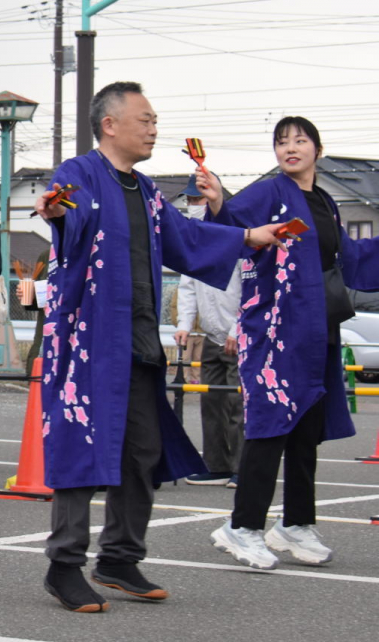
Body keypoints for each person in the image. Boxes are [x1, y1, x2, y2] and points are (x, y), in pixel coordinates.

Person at [33, 81, 281, 613]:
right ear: (110, 124)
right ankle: (64, 566)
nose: (153, 128)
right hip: (89, 344)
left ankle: (120, 557)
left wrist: (247, 235)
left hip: (141, 342)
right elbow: (65, 213)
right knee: (84, 450)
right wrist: (56, 212)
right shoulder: (77, 174)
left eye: (153, 120)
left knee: (140, 455)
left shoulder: (145, 191)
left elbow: (187, 242)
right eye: (144, 119)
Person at [207, 116, 379, 570]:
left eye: (300, 140)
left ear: (317, 150)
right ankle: (241, 527)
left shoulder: (325, 201)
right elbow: (229, 227)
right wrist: (218, 201)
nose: (290, 148)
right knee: (270, 425)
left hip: (317, 327)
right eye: (281, 142)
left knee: (306, 429)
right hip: (275, 329)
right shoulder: (270, 193)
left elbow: (351, 256)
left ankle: (295, 524)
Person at [173, 176, 243, 487]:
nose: (192, 206)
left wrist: (238, 328)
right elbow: (187, 286)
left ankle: (245, 467)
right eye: (189, 201)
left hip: (241, 334)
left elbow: (253, 287)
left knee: (240, 405)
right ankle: (218, 465)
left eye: (198, 200)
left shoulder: (236, 234)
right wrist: (184, 325)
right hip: (214, 334)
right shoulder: (195, 241)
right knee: (212, 402)